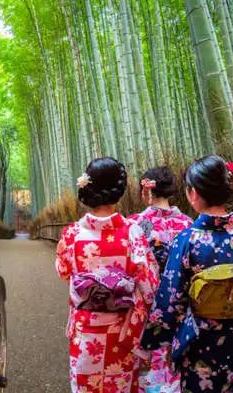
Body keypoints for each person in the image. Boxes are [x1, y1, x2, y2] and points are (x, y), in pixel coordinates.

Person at [140, 155, 233, 392]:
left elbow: (171, 299)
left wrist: (155, 336)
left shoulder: (187, 240)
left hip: (201, 342)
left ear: (193, 193)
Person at [55, 157, 159, 393]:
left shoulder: (72, 234)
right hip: (121, 332)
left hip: (85, 330)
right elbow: (149, 284)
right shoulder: (132, 231)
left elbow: (63, 272)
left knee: (85, 386)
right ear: (119, 191)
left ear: (87, 189)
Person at [128, 166, 192, 393]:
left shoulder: (134, 224)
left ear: (146, 191)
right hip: (180, 306)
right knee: (175, 366)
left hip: (145, 307)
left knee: (146, 368)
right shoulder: (188, 224)